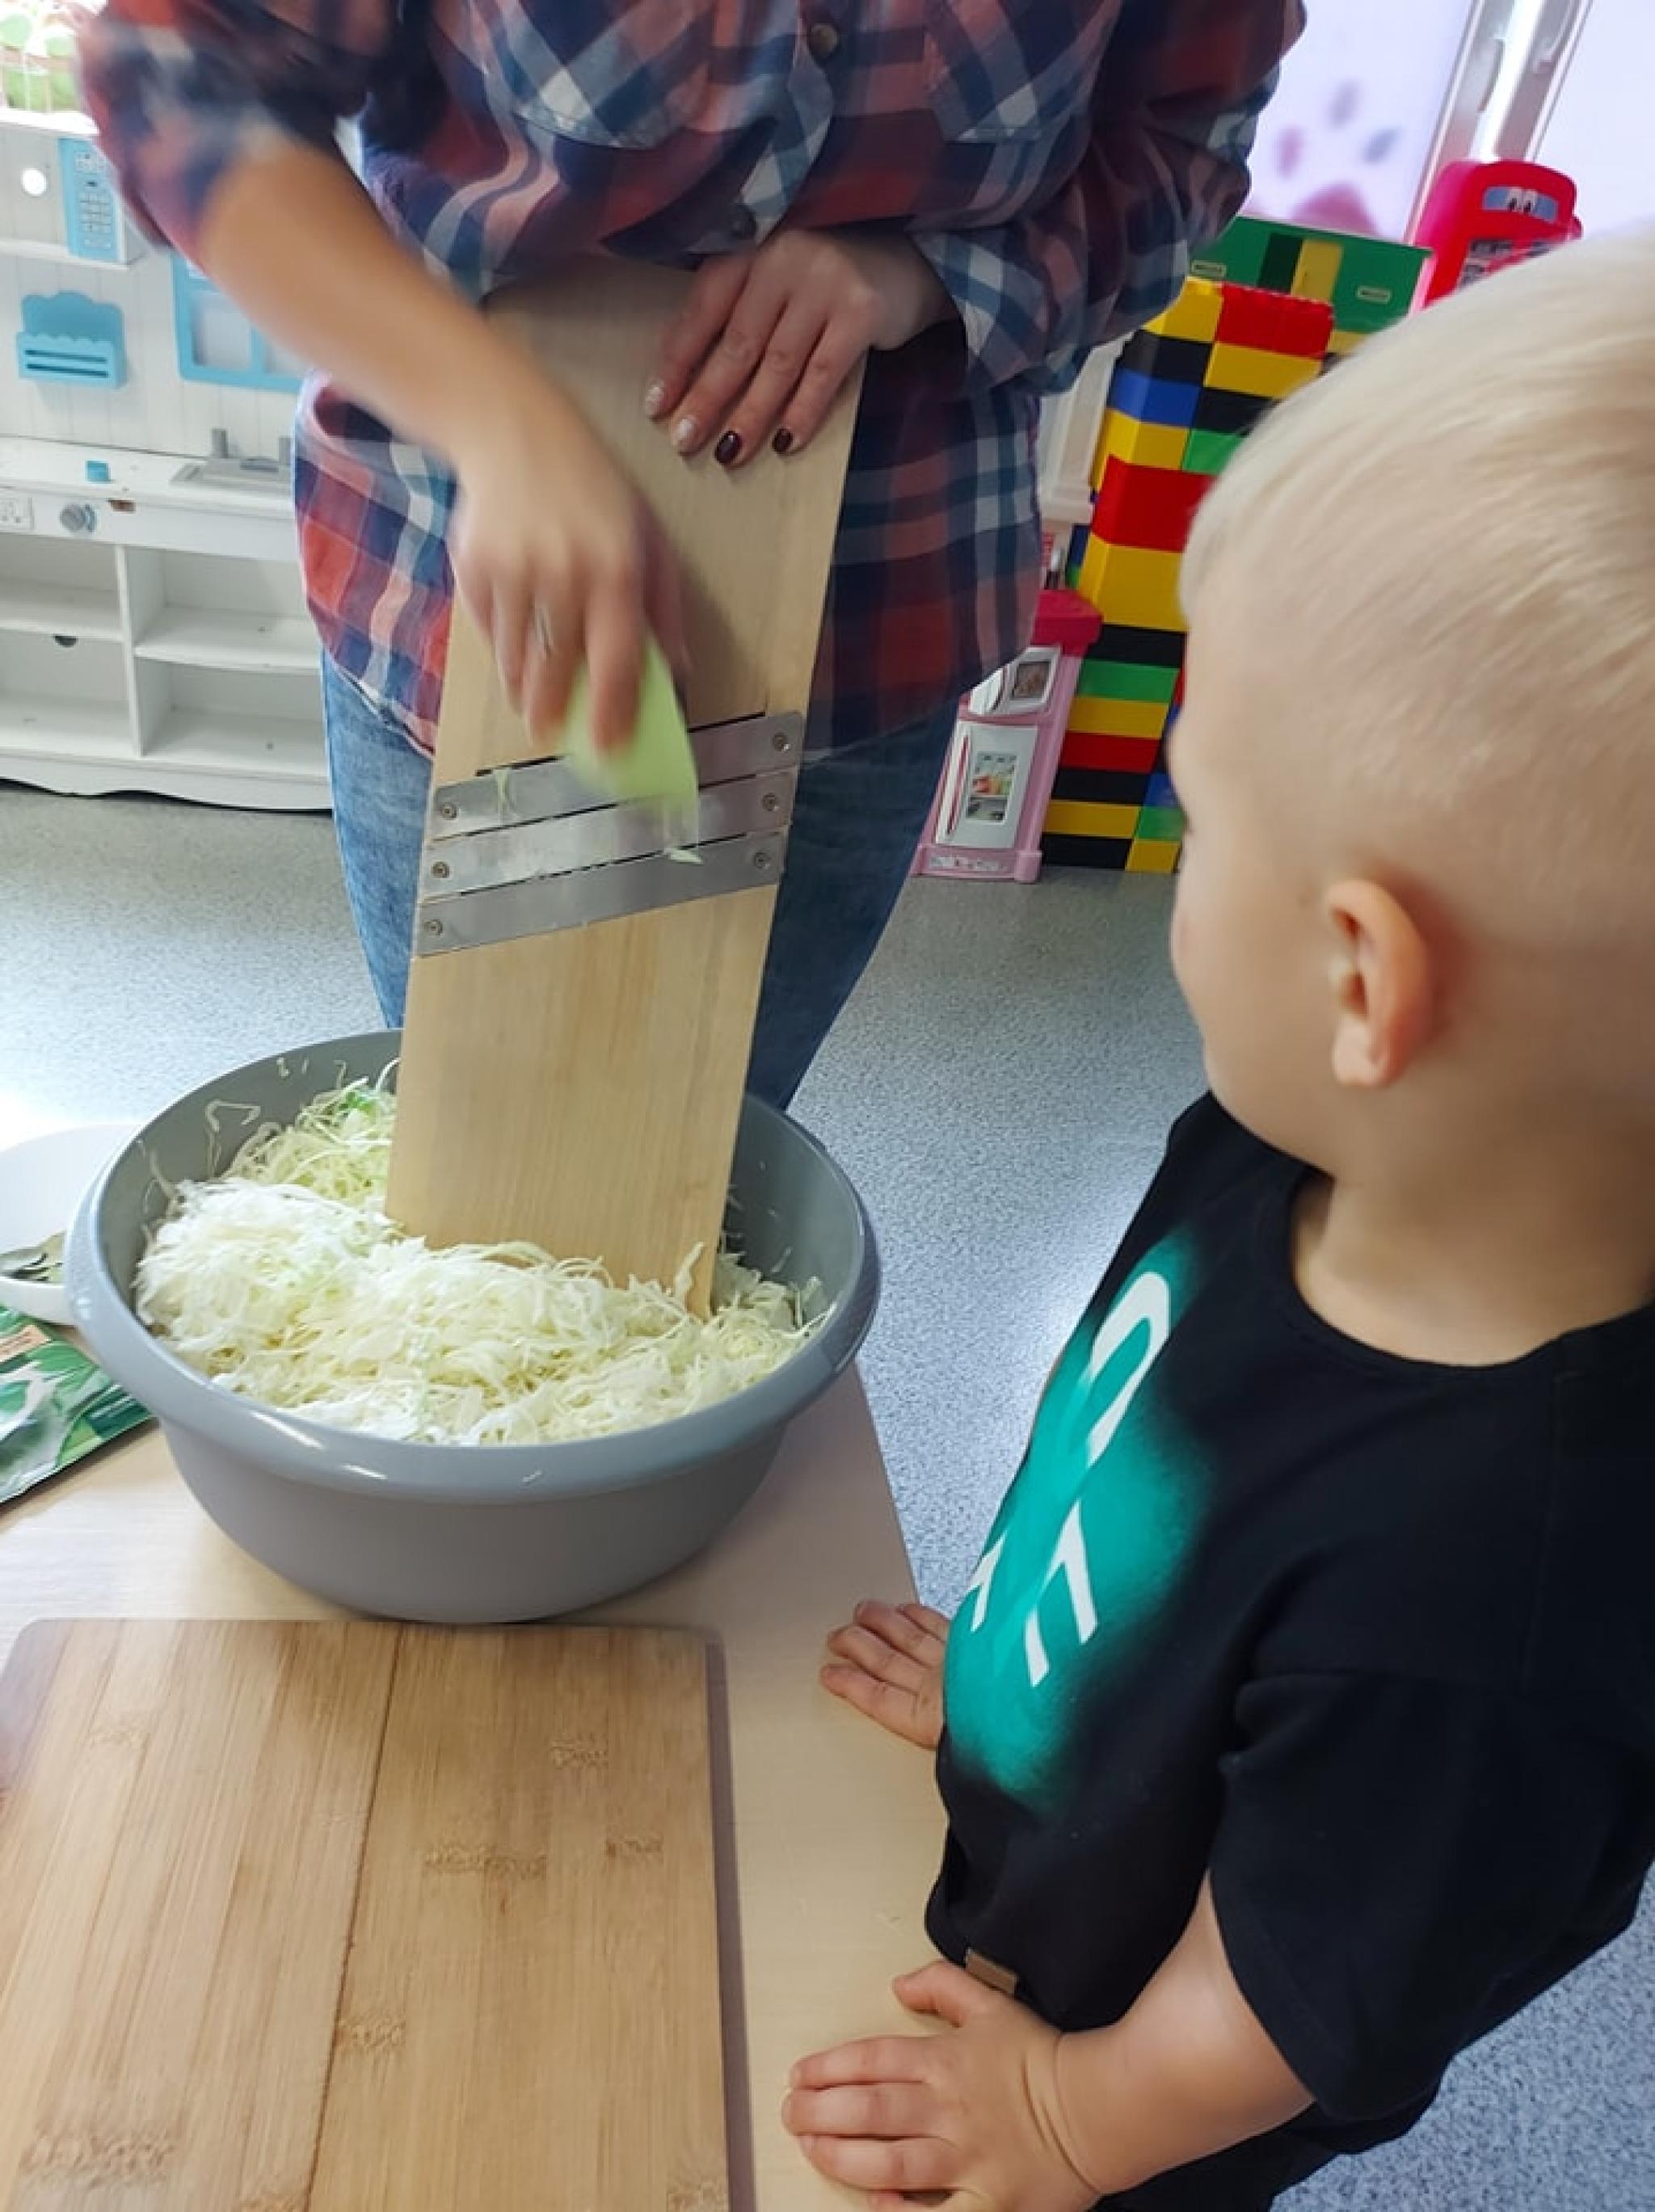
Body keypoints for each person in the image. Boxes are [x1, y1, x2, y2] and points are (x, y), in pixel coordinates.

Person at [796, 229, 1655, 2210]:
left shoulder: (1491, 1616)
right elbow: (1142, 1496)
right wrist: (1024, 1704)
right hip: (1056, 1829)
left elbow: (1291, 1994)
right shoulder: (1281, 1152)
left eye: (1203, 815)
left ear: (1363, 982)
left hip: (1130, 2083)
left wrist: (1062, 2122)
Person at [78, 0, 1299, 1106]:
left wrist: (925, 277)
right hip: (457, 590)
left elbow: (1181, 155)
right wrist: (495, 423)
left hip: (876, 614)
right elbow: (179, 73)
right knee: (480, 1137)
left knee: (711, 1143)